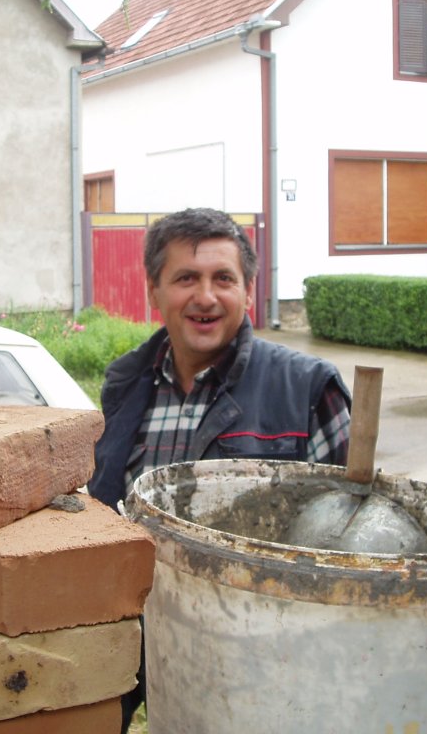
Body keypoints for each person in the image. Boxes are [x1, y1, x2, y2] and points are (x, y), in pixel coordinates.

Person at [87, 207, 353, 733]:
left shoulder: (308, 389)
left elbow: (345, 545)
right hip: (137, 629)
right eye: (186, 278)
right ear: (154, 290)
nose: (205, 297)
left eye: (223, 279)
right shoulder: (126, 384)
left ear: (248, 291)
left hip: (261, 656)